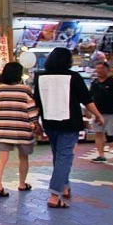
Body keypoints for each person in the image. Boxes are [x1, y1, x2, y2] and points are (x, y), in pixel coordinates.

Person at [34, 47, 104, 208]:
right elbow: (86, 99)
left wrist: (35, 121)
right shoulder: (73, 77)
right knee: (64, 157)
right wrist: (98, 115)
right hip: (69, 122)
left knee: (58, 155)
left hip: (49, 121)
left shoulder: (40, 77)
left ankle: (64, 187)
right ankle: (54, 195)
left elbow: (37, 102)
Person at [0, 62, 39, 197]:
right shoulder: (25, 89)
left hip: (3, 128)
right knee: (23, 157)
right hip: (22, 129)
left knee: (2, 158)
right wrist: (36, 123)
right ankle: (22, 184)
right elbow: (31, 109)